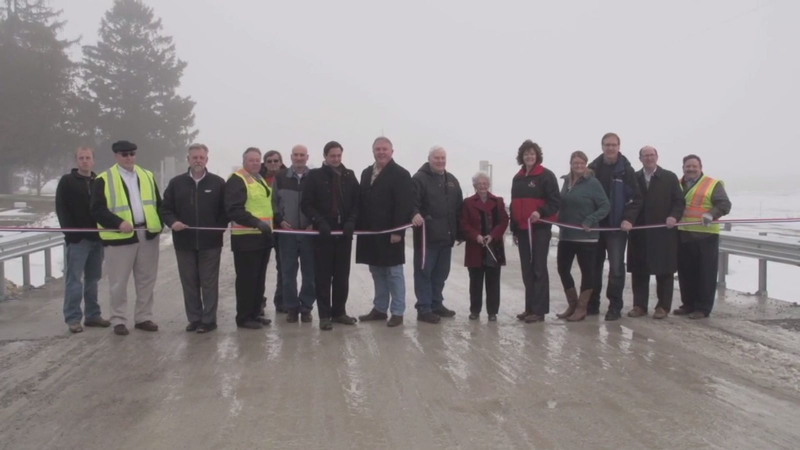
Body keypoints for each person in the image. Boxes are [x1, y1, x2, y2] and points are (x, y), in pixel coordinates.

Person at [90, 140, 163, 336]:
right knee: (118, 282)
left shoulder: (147, 175)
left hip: (146, 235)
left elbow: (158, 203)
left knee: (146, 279)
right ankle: (118, 320)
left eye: (132, 154)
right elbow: (97, 210)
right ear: (116, 156)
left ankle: (143, 317)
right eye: (125, 155)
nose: (129, 158)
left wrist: (161, 224)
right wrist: (117, 223)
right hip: (119, 238)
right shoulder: (104, 179)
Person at [159, 143, 228, 333]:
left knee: (208, 282)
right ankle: (194, 319)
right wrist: (173, 223)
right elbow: (165, 209)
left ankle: (209, 320)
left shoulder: (218, 183)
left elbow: (225, 210)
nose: (198, 160)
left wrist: (218, 229)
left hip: (210, 243)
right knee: (189, 282)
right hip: (184, 242)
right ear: (188, 159)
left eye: (201, 157)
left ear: (207, 159)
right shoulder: (176, 183)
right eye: (194, 157)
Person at [301, 141, 360, 331]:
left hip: (344, 232)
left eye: (338, 155)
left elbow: (358, 203)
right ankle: (325, 315)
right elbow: (306, 203)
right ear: (325, 156)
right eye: (332, 155)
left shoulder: (349, 176)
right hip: (323, 233)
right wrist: (319, 221)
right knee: (323, 276)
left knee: (342, 275)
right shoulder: (315, 176)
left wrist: (351, 221)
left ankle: (339, 312)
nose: (336, 159)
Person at [356, 137, 414, 327]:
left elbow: (404, 204)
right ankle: (380, 308)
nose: (381, 152)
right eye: (377, 149)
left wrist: (398, 231)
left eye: (385, 149)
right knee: (376, 271)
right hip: (370, 233)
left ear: (392, 151)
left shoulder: (401, 174)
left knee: (394, 272)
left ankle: (397, 311)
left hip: (391, 232)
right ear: (373, 151)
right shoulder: (366, 173)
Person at [587, 133, 643, 321]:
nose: (610, 148)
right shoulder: (592, 169)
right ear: (601, 146)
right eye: (607, 145)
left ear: (619, 146)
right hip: (595, 227)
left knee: (617, 269)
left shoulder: (626, 170)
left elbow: (636, 199)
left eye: (614, 145)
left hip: (616, 228)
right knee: (593, 267)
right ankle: (592, 304)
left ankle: (614, 306)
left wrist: (628, 219)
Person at [55, 146, 110, 333]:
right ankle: (73, 318)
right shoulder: (67, 181)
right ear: (76, 161)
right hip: (78, 240)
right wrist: (71, 234)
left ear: (93, 160)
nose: (84, 161)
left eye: (88, 157)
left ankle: (93, 315)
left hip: (98, 238)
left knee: (93, 279)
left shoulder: (99, 181)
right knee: (74, 280)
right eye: (81, 158)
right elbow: (62, 209)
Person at [626, 146, 685, 320]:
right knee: (639, 270)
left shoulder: (669, 177)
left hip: (663, 232)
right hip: (639, 231)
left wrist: (674, 217)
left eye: (652, 155)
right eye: (645, 156)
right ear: (640, 158)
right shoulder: (634, 178)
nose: (649, 158)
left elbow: (679, 202)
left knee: (665, 271)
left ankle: (663, 307)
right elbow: (628, 202)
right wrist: (628, 219)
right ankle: (639, 306)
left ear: (657, 157)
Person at [554, 151, 610, 322]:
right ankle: (572, 304)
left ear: (585, 164)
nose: (578, 166)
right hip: (566, 235)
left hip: (587, 237)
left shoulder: (593, 183)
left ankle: (581, 308)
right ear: (570, 163)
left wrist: (590, 220)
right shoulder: (566, 182)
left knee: (588, 272)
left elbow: (605, 206)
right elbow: (561, 204)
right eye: (575, 163)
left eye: (581, 163)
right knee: (563, 269)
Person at [411, 146, 463, 324]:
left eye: (443, 158)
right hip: (427, 237)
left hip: (446, 237)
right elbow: (411, 202)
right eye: (436, 158)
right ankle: (424, 308)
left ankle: (436, 303)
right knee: (424, 273)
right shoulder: (419, 179)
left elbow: (458, 208)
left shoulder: (452, 180)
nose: (440, 161)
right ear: (429, 159)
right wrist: (414, 213)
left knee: (441, 274)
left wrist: (460, 233)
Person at [509, 140, 560, 323]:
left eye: (532, 153)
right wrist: (514, 228)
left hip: (539, 228)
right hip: (522, 230)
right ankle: (529, 307)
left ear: (537, 155)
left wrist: (541, 212)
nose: (529, 156)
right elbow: (514, 204)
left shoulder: (546, 176)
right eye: (526, 154)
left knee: (539, 268)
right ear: (521, 157)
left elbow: (555, 201)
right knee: (526, 270)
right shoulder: (518, 177)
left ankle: (539, 311)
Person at [225, 147, 275, 329]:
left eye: (257, 160)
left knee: (258, 280)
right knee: (247, 280)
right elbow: (234, 209)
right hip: (246, 239)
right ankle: (244, 317)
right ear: (244, 161)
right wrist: (256, 222)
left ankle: (255, 313)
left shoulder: (258, 178)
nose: (255, 163)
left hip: (262, 238)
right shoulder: (237, 180)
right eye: (251, 160)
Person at [676, 155, 731, 319]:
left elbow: (724, 204)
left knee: (705, 273)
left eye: (694, 166)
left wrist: (711, 214)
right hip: (684, 234)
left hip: (706, 235)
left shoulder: (712, 184)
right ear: (683, 168)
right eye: (688, 166)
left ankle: (703, 308)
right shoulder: (679, 184)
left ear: (700, 167)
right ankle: (688, 304)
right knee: (686, 272)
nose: (691, 169)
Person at [272, 145, 315, 324]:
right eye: (296, 155)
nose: (299, 158)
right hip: (287, 233)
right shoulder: (280, 178)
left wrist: (314, 223)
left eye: (302, 155)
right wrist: (280, 220)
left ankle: (306, 308)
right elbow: (273, 203)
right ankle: (291, 308)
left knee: (310, 274)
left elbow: (320, 202)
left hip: (309, 233)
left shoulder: (314, 177)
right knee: (288, 273)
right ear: (291, 157)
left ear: (307, 157)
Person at [459, 171, 509, 321]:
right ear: (474, 186)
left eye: (485, 183)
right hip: (475, 247)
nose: (482, 186)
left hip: (494, 247)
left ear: (489, 184)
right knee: (475, 282)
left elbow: (504, 221)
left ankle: (492, 312)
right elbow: (463, 223)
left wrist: (492, 235)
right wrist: (476, 236)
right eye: (479, 184)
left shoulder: (498, 201)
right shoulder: (467, 203)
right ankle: (475, 311)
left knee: (493, 282)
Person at [260, 150, 287, 315]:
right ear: (264, 163)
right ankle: (259, 302)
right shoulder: (257, 178)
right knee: (259, 268)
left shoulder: (287, 178)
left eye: (276, 160)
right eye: (269, 161)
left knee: (283, 266)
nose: (272, 164)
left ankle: (281, 300)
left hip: (281, 228)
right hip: (262, 229)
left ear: (281, 161)